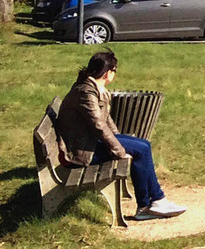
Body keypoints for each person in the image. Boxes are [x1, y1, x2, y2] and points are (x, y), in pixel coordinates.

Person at [56, 50, 185, 220]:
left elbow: (106, 119)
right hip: (81, 153)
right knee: (141, 150)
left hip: (88, 143)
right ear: (108, 72)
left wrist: (120, 139)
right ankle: (149, 204)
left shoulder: (92, 88)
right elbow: (98, 125)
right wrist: (119, 151)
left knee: (143, 145)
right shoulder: (86, 92)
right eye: (114, 70)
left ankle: (154, 201)